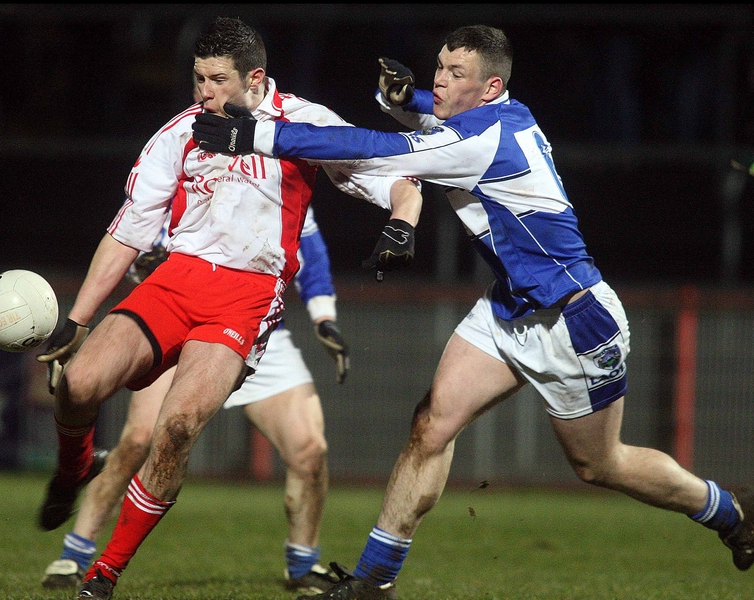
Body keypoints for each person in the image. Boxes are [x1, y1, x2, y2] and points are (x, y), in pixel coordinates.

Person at [191, 24, 754, 599]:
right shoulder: (497, 118)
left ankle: (729, 513)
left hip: (572, 320)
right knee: (431, 424)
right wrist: (405, 99)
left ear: (489, 87)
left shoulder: (483, 139)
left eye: (454, 73)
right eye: (438, 66)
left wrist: (254, 136)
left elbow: (375, 149)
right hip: (509, 306)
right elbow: (439, 128)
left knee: (600, 464)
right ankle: (372, 581)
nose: (437, 77)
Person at [34, 15, 422, 600]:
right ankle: (72, 471)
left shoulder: (303, 124)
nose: (203, 93)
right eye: (197, 79)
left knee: (177, 428)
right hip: (176, 280)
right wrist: (77, 320)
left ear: (255, 78)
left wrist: (401, 224)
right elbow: (127, 232)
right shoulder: (180, 132)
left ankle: (102, 574)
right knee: (79, 382)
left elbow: (393, 175)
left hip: (246, 297)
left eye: (216, 80)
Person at [40, 204, 349, 596]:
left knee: (309, 449)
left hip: (255, 325)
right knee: (138, 440)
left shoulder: (279, 162)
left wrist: (324, 316)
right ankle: (77, 552)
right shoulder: (185, 154)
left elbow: (309, 246)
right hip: (177, 319)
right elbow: (132, 240)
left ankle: (303, 565)